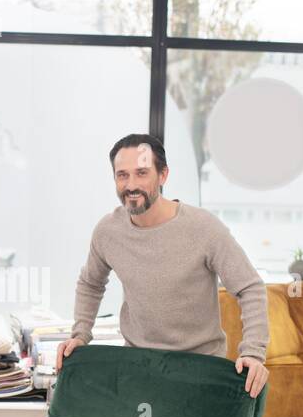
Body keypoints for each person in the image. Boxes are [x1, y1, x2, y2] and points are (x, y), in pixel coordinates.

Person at [59, 133, 270, 397]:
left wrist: (253, 352)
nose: (131, 184)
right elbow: (91, 283)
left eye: (142, 173)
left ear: (163, 175)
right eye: (122, 175)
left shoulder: (204, 228)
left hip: (201, 372)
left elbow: (250, 288)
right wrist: (80, 334)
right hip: (138, 370)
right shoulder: (108, 231)